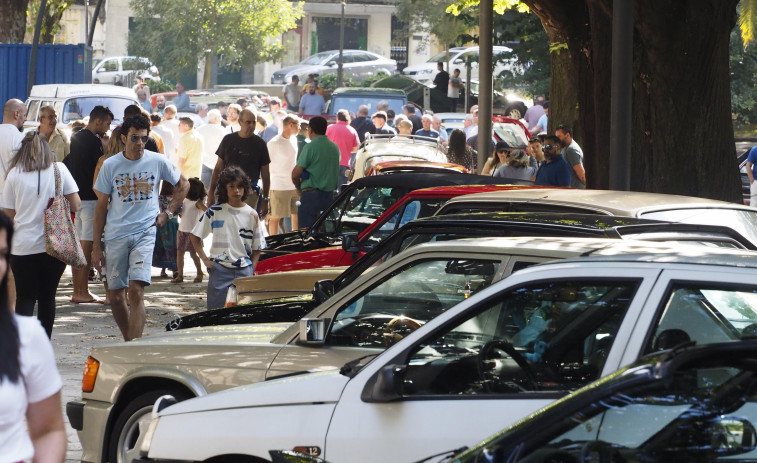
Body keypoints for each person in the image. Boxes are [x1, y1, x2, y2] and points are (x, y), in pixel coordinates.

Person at [92, 114, 189, 341]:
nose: (140, 144)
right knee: (116, 296)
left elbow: (184, 184)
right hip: (115, 235)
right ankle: (130, 342)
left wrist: (169, 212)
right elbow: (100, 208)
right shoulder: (110, 165)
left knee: (136, 292)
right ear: (124, 138)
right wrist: (96, 247)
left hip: (145, 232)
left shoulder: (156, 160)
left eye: (144, 139)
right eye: (134, 138)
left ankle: (133, 347)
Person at [0, 210, 67, 463]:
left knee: (44, 298)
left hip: (42, 252)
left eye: (2, 254)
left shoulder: (27, 337)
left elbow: (48, 430)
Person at [2, 132, 81, 337]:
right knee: (48, 298)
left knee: (25, 299)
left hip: (22, 247)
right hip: (54, 246)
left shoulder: (14, 174)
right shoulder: (59, 169)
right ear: (47, 151)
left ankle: (23, 348)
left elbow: (8, 214)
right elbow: (76, 204)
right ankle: (44, 346)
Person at [190, 167, 264, 309]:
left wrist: (251, 269)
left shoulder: (252, 215)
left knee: (242, 314)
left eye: (240, 186)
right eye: (231, 186)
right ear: (225, 189)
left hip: (244, 270)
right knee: (215, 313)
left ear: (245, 188)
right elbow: (194, 235)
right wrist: (205, 259)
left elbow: (258, 247)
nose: (236, 190)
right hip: (220, 270)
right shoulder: (215, 212)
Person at [63, 105, 113, 305]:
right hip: (91, 198)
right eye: (107, 123)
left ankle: (80, 290)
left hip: (77, 197)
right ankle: (81, 291)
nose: (108, 128)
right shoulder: (93, 141)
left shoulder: (76, 137)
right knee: (88, 245)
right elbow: (100, 167)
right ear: (98, 121)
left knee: (81, 244)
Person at [208, 109, 271, 215]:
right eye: (248, 122)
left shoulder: (260, 144)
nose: (251, 125)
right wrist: (211, 193)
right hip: (227, 191)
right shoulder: (228, 140)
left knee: (246, 226)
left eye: (253, 122)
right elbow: (218, 168)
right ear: (240, 122)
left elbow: (266, 173)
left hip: (249, 192)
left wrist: (266, 199)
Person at [292, 116, 339, 228]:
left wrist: (298, 188)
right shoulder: (334, 147)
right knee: (325, 234)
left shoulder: (310, 147)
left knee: (306, 235)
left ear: (311, 129)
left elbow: (295, 174)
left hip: (311, 197)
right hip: (329, 197)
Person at [267, 114, 301, 235]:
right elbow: (266, 166)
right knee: (276, 217)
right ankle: (272, 243)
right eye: (298, 125)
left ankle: (296, 240)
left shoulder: (294, 139)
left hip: (294, 185)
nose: (300, 128)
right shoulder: (274, 143)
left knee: (296, 214)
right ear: (290, 125)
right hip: (279, 185)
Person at [175, 178, 208, 283]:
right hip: (182, 230)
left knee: (193, 254)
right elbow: (182, 213)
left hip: (193, 232)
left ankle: (199, 273)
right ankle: (180, 275)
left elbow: (207, 211)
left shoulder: (197, 203)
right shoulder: (185, 200)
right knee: (180, 254)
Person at [0, 99, 26, 203]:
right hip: (10, 201)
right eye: (24, 115)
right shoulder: (21, 139)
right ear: (16, 114)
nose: (26, 118)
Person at [326, 109, 359, 187]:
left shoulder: (330, 128)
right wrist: (346, 149)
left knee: (329, 188)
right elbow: (356, 148)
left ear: (337, 117)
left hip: (330, 163)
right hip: (345, 163)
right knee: (342, 189)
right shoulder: (352, 130)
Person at [196, 109, 226, 189]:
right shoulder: (221, 130)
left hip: (203, 161)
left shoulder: (199, 129)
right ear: (216, 118)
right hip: (217, 162)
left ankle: (202, 201)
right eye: (220, 117)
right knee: (216, 188)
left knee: (203, 187)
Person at [555, 124, 586, 188]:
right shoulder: (565, 148)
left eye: (559, 137)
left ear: (567, 135)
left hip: (575, 192)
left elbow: (581, 174)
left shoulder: (571, 150)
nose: (557, 140)